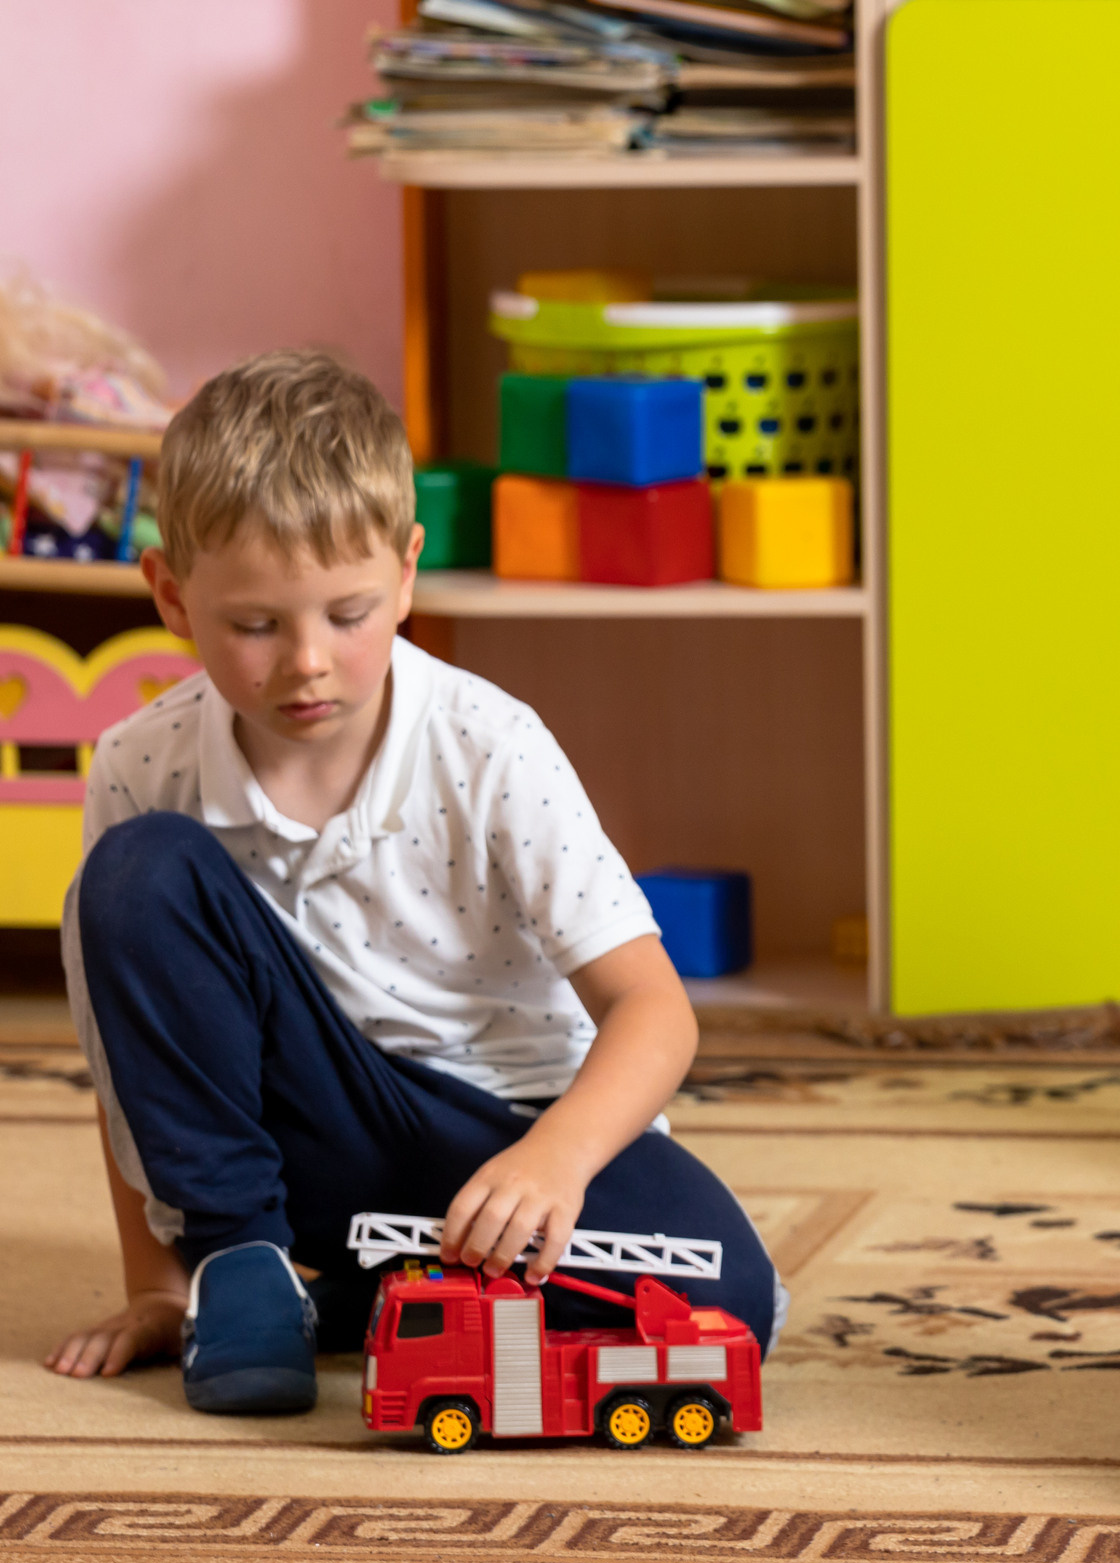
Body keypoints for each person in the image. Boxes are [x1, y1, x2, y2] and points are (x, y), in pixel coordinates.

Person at [41, 349, 779, 1414]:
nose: (307, 661)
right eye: (256, 625)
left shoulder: (490, 744)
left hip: (506, 1130)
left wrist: (555, 1160)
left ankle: (369, 1293)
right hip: (304, 1142)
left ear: (405, 576)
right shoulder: (139, 764)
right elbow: (134, 1058)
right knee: (134, 875)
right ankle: (241, 1266)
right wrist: (158, 1286)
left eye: (347, 615)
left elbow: (653, 1011)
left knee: (729, 1301)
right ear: (171, 595)